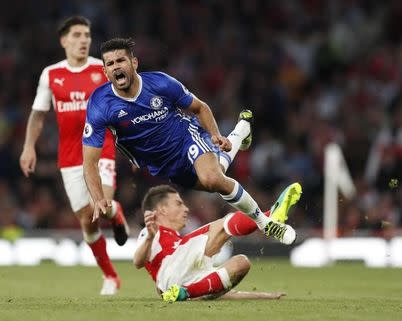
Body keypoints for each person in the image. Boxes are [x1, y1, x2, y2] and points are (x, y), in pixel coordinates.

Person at [82, 37, 295, 245]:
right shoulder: (100, 104)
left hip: (186, 138)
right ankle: (242, 130)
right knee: (216, 180)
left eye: (121, 60)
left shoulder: (161, 83)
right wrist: (99, 198)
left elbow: (200, 107)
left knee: (212, 178)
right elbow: (90, 161)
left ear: (134, 63)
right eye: (110, 63)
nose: (116, 66)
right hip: (163, 164)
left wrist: (215, 134)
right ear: (105, 72)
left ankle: (266, 224)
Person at [19, 16, 130, 295]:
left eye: (87, 35)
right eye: (78, 35)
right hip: (69, 156)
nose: (84, 40)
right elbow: (38, 114)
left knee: (100, 204)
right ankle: (111, 276)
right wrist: (28, 146)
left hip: (100, 147)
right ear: (64, 40)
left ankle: (112, 211)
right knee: (86, 220)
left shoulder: (101, 69)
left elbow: (125, 101)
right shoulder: (51, 74)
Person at [133, 183, 302, 302]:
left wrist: (264, 296)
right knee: (221, 226)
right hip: (171, 274)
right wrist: (149, 236)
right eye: (179, 204)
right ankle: (268, 217)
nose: (186, 209)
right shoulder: (154, 232)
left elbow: (218, 291)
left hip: (182, 288)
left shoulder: (178, 244)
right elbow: (137, 262)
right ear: (162, 209)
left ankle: (186, 293)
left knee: (241, 263)